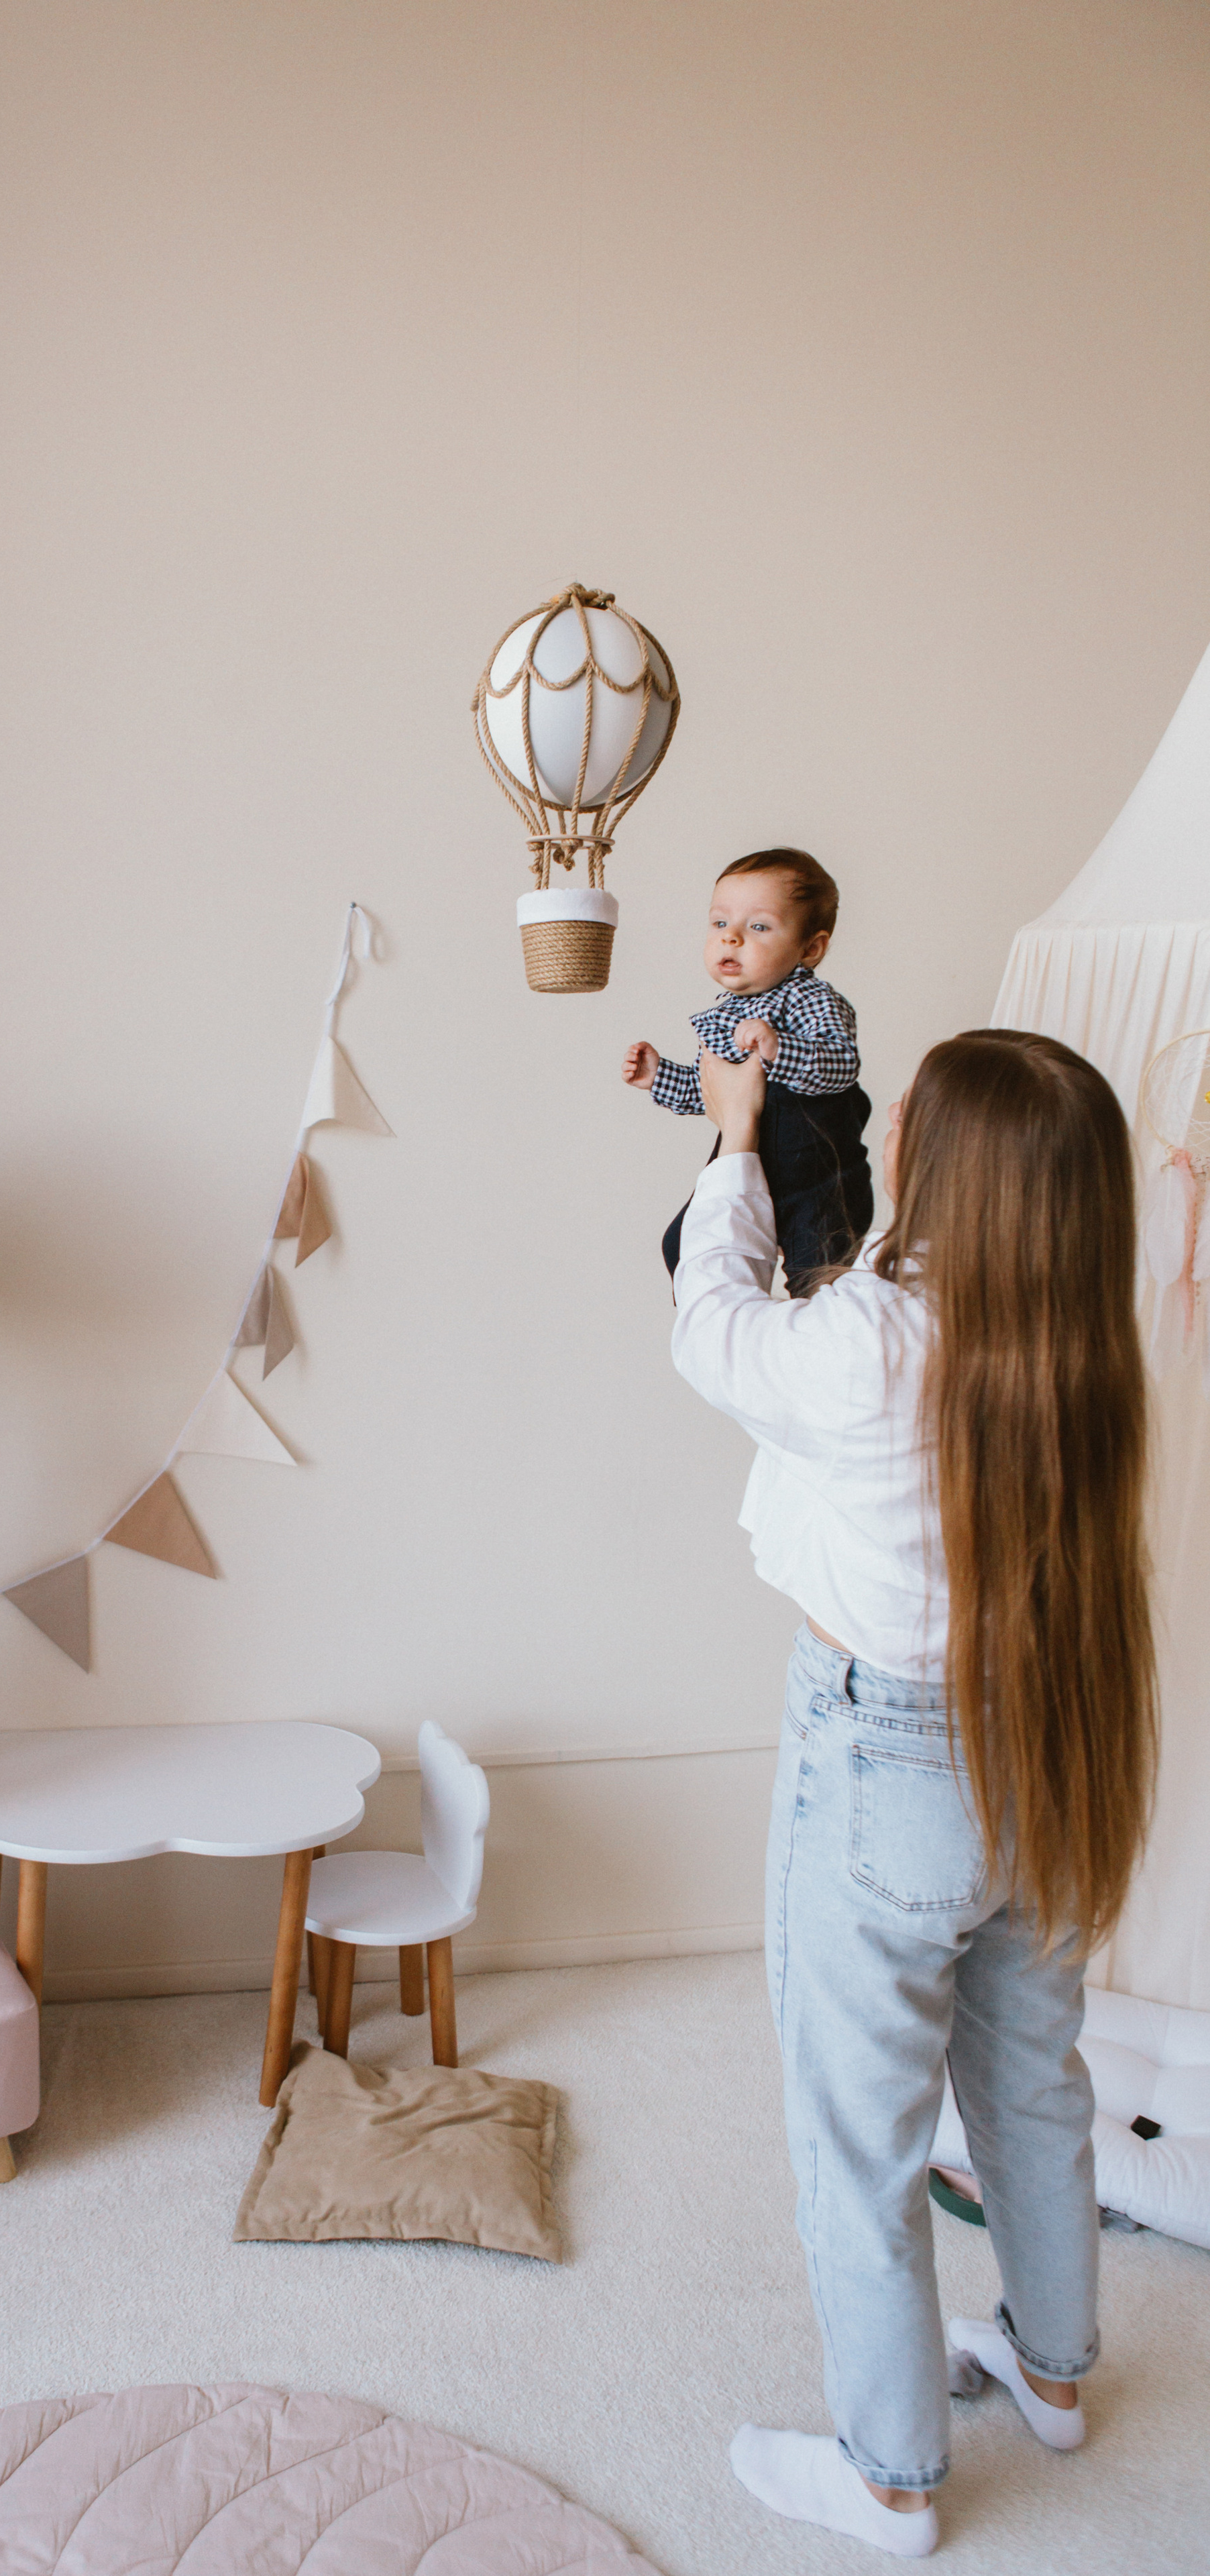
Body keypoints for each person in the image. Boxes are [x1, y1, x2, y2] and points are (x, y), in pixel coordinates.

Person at [669, 1029, 1156, 2558]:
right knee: (1029, 2079)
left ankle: (889, 2474)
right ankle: (1054, 2373)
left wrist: (734, 1144)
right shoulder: (1086, 1343)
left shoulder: (872, 1339)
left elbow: (708, 1324)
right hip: (1044, 1745)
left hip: (881, 1762)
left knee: (856, 2134)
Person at [624, 849, 873, 1293]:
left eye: (758, 927)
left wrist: (781, 1048)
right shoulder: (726, 1015)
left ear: (810, 949)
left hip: (818, 1176)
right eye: (720, 923)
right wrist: (659, 1075)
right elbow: (714, 1096)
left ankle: (811, 1338)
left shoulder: (810, 1001)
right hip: (747, 1165)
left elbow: (841, 1066)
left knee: (820, 1272)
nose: (731, 938)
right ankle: (736, 1326)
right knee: (681, 1246)